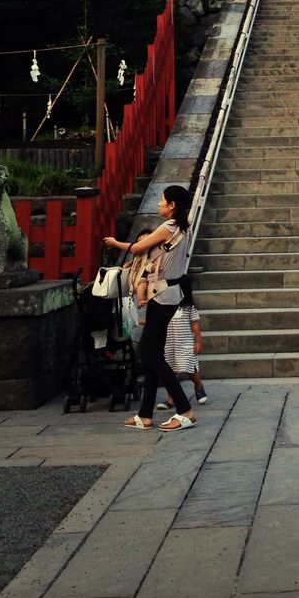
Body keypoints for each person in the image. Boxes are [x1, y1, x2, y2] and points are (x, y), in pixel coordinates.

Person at [103, 184, 198, 431]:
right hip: (170, 293)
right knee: (149, 351)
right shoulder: (182, 228)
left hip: (162, 295)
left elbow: (136, 248)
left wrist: (115, 243)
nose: (158, 204)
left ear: (172, 205)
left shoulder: (168, 227)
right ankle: (145, 414)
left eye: (162, 200)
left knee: (152, 354)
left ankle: (184, 409)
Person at [156, 275, 207, 409]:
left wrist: (198, 342)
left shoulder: (189, 308)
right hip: (170, 344)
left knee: (190, 368)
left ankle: (198, 385)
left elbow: (195, 326)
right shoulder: (166, 306)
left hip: (185, 343)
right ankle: (171, 397)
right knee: (170, 371)